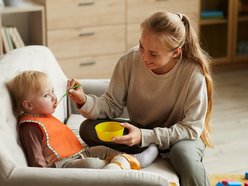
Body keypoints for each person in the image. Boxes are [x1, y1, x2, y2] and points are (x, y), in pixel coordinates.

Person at [67, 11, 213, 186]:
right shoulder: (129, 61)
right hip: (141, 131)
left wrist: (146, 136)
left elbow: (191, 129)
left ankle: (150, 149)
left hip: (179, 137)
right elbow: (112, 104)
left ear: (175, 52)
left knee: (183, 155)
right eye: (141, 46)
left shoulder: (193, 75)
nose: (143, 56)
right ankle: (150, 150)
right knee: (88, 129)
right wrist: (84, 100)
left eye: (153, 53)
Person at [6, 70, 158, 170]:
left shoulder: (45, 116)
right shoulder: (30, 127)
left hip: (80, 152)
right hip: (62, 164)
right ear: (28, 105)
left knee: (103, 150)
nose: (54, 97)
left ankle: (131, 160)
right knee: (92, 164)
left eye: (53, 92)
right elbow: (36, 162)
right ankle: (118, 167)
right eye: (46, 95)